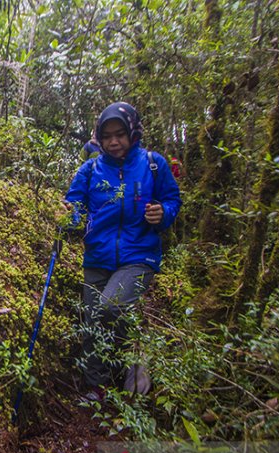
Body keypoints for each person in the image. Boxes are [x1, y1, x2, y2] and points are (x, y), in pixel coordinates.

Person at [64, 102, 182, 400]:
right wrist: (68, 216)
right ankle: (98, 387)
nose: (113, 141)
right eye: (107, 136)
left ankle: (132, 356)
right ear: (99, 138)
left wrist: (162, 213)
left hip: (139, 256)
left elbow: (172, 200)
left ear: (133, 133)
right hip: (97, 257)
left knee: (109, 308)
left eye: (120, 134)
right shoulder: (90, 169)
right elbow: (75, 204)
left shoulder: (153, 164)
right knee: (92, 320)